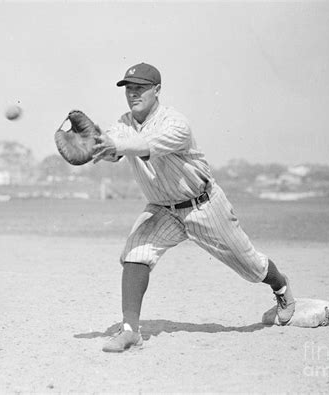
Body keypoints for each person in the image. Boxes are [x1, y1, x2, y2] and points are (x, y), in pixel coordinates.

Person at [92, 62, 295, 353]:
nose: (133, 94)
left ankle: (282, 288)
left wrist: (113, 144)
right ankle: (130, 330)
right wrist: (95, 145)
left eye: (140, 88)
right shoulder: (123, 122)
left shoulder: (175, 124)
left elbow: (139, 144)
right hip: (162, 209)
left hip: (202, 205)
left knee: (251, 265)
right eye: (129, 88)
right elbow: (114, 148)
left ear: (157, 90)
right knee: (135, 252)